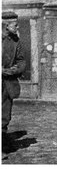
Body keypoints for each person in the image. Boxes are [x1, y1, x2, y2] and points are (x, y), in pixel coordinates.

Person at [2, 11, 26, 159]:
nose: (17, 27)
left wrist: (14, 70)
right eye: (15, 25)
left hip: (7, 84)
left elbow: (22, 61)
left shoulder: (16, 41)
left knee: (4, 116)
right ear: (5, 25)